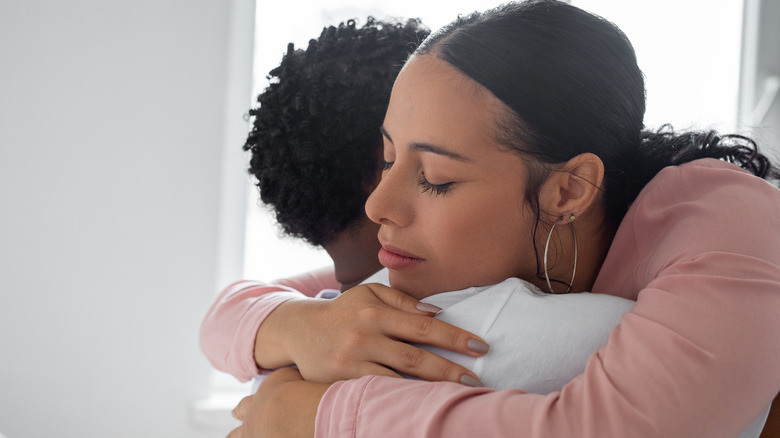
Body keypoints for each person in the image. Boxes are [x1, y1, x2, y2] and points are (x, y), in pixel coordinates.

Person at [225, 1, 780, 437]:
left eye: (435, 178)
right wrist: (297, 327)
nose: (377, 207)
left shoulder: (727, 228)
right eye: (390, 159)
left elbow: (617, 428)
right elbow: (236, 309)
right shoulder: (475, 247)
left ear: (568, 189)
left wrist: (324, 416)